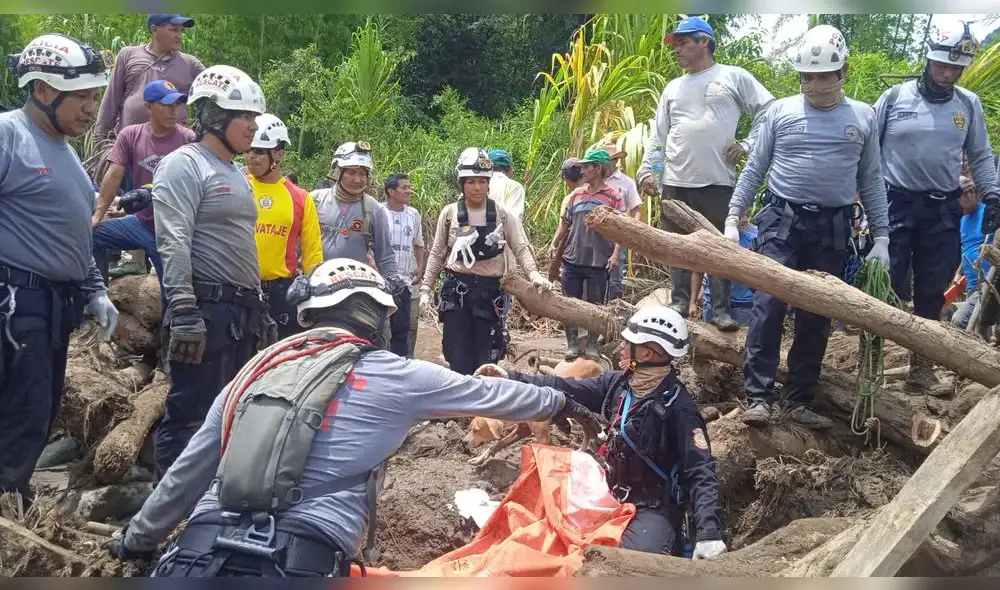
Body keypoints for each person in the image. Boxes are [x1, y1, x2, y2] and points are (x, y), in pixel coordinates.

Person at [102, 258, 602, 577]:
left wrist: (134, 541)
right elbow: (489, 394)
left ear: (308, 315)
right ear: (380, 320)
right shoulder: (395, 375)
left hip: (197, 554)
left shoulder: (255, 369)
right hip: (299, 562)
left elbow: (186, 476)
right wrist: (560, 400)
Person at [726, 24, 890, 430]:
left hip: (833, 226)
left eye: (823, 75)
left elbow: (870, 179)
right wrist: (733, 216)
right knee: (768, 305)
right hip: (782, 221)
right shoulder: (781, 111)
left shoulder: (863, 117)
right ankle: (758, 396)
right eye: (807, 76)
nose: (814, 84)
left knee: (817, 313)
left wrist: (882, 236)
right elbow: (754, 167)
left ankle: (799, 398)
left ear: (842, 71)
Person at [476, 306, 726, 559]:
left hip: (652, 508)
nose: (620, 348)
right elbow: (564, 386)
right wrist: (511, 377)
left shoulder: (679, 408)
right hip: (607, 491)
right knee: (545, 514)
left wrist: (709, 534)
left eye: (627, 343)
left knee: (630, 563)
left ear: (647, 353)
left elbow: (700, 470)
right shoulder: (618, 384)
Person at [0, 34, 120, 505]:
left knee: (39, 409)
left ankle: (12, 500)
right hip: (15, 300)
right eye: (83, 97)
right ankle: (9, 510)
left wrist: (94, 288)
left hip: (52, 305)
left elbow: (73, 233)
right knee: (23, 409)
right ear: (44, 90)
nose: (92, 108)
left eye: (95, 97)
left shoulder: (67, 154)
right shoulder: (11, 136)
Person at [152, 64, 278, 480]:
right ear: (213, 116)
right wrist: (184, 311)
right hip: (206, 310)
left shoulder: (234, 173)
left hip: (240, 314)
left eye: (255, 118)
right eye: (245, 117)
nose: (253, 127)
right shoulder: (184, 165)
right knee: (190, 412)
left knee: (230, 413)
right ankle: (167, 513)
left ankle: (211, 504)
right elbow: (173, 240)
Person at [874, 20, 1000, 395]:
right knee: (886, 284)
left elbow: (979, 155)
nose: (947, 74)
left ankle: (921, 371)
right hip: (894, 202)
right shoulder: (895, 98)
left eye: (954, 68)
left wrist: (992, 195)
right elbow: (866, 152)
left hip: (941, 207)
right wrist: (860, 201)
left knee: (931, 290)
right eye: (941, 65)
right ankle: (871, 364)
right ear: (928, 60)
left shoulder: (968, 105)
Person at [636, 16, 775, 331]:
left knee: (720, 246)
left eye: (684, 42)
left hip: (717, 181)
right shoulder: (673, 88)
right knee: (676, 245)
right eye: (676, 45)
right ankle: (680, 302)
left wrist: (748, 143)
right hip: (674, 181)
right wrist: (648, 171)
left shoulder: (732, 76)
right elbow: (660, 135)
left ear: (704, 42)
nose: (678, 50)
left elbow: (768, 110)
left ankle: (720, 309)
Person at [419, 147, 552, 375]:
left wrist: (534, 275)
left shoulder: (503, 215)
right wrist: (425, 289)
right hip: (457, 294)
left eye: (482, 181)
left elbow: (520, 247)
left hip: (489, 295)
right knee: (457, 355)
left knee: (486, 357)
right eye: (471, 182)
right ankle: (460, 406)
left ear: (489, 182)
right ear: (462, 183)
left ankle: (483, 407)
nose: (477, 187)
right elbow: (437, 253)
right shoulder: (450, 213)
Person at [92, 80, 195, 285]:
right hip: (141, 223)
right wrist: (98, 215)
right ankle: (97, 293)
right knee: (91, 235)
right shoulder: (131, 135)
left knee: (173, 294)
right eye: (166, 105)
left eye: (176, 105)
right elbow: (114, 175)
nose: (173, 111)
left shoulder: (189, 140)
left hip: (173, 232)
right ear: (148, 106)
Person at [246, 113, 324, 339]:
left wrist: (314, 295)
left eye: (259, 151)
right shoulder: (237, 185)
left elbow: (313, 253)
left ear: (279, 154)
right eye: (249, 150)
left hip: (282, 294)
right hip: (239, 290)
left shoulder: (300, 198)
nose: (251, 156)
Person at [551, 148, 627, 359]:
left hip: (599, 259)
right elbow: (565, 224)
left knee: (596, 306)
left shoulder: (613, 197)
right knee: (569, 304)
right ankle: (572, 344)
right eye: (581, 167)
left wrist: (615, 255)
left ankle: (593, 344)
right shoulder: (576, 194)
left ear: (599, 168)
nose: (582, 170)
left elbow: (622, 231)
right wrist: (554, 243)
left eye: (586, 166)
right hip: (573, 258)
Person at [311, 141, 405, 295]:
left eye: (362, 174)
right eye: (351, 173)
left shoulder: (374, 209)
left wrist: (392, 279)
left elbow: (385, 255)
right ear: (337, 172)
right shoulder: (314, 201)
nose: (358, 180)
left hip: (355, 289)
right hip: (316, 286)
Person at [94, 14, 204, 140]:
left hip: (175, 147)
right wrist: (99, 138)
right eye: (174, 30)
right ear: (154, 29)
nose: (179, 36)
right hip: (131, 145)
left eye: (181, 31)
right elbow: (111, 100)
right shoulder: (128, 55)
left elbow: (214, 91)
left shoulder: (190, 64)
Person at [383, 172, 425, 358]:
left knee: (402, 327)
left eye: (409, 187)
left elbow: (418, 244)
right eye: (404, 188)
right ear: (391, 192)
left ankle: (401, 365)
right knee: (381, 327)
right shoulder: (378, 211)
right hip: (381, 281)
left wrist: (420, 266)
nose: (409, 191)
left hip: (404, 282)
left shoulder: (413, 214)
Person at [598, 141, 642, 300]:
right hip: (596, 236)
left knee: (615, 278)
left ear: (615, 161)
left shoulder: (626, 182)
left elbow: (636, 209)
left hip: (617, 236)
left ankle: (613, 312)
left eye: (606, 161)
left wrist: (631, 230)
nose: (602, 165)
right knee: (595, 276)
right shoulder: (596, 181)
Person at [699, 217, 758, 326]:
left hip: (743, 304)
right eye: (739, 215)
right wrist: (693, 301)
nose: (745, 219)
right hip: (712, 304)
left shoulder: (754, 239)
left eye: (746, 214)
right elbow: (698, 271)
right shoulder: (711, 239)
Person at [952, 176, 990, 330]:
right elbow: (967, 249)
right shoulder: (963, 220)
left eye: (971, 192)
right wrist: (958, 273)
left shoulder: (990, 212)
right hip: (972, 285)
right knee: (979, 329)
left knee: (959, 321)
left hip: (989, 282)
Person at [548, 156, 587, 282]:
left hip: (574, 258)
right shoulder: (600, 192)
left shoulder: (571, 198)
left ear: (565, 179)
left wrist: (553, 247)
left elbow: (564, 229)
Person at [487, 149, 526, 221]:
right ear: (510, 169)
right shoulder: (516, 187)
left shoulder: (478, 184)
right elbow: (514, 218)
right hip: (504, 231)